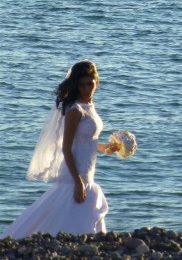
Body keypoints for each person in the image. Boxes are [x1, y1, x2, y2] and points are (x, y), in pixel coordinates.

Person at [1, 60, 119, 239]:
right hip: (75, 171)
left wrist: (106, 147)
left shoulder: (89, 106)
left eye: (90, 83)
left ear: (96, 81)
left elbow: (85, 141)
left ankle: (81, 241)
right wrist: (78, 181)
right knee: (67, 207)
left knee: (69, 209)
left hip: (87, 168)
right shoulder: (75, 110)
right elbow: (66, 148)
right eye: (82, 85)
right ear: (76, 86)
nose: (87, 89)